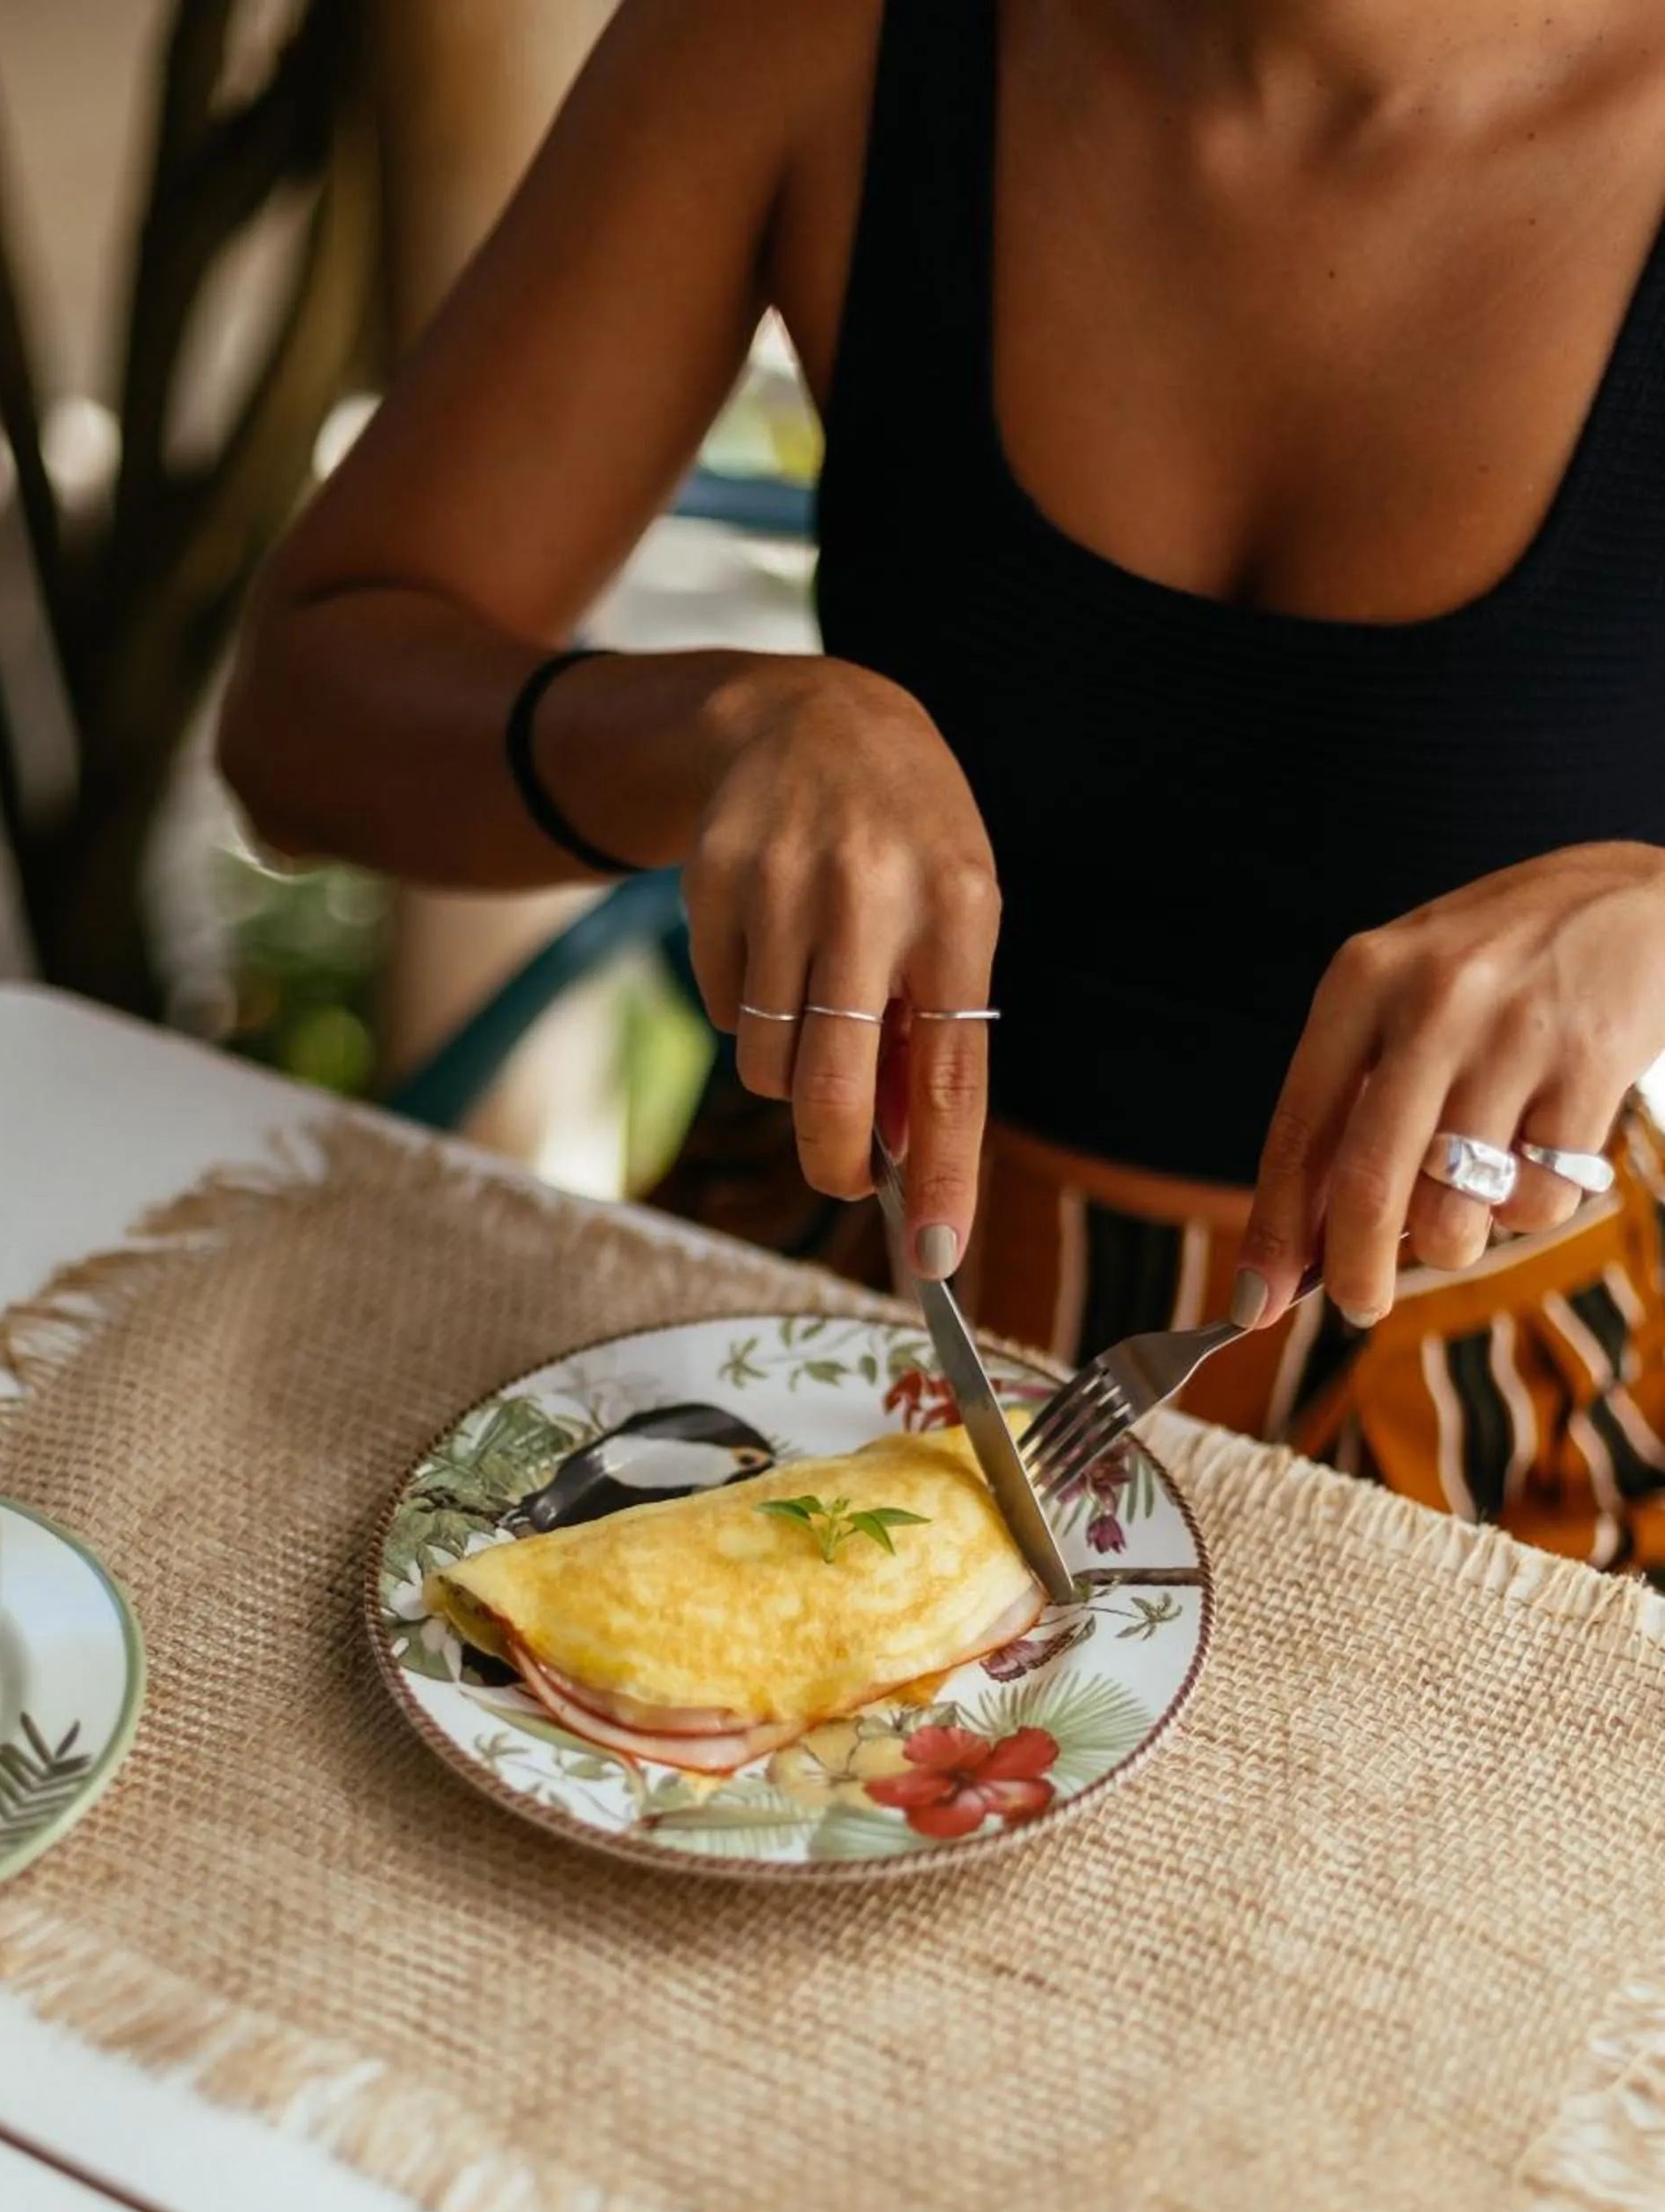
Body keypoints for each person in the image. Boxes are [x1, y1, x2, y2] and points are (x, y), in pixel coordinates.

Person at [217, 0, 1665, 1571]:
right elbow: (300, 728)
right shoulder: (808, 35)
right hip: (818, 1326)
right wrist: (721, 726)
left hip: (1513, 1423)